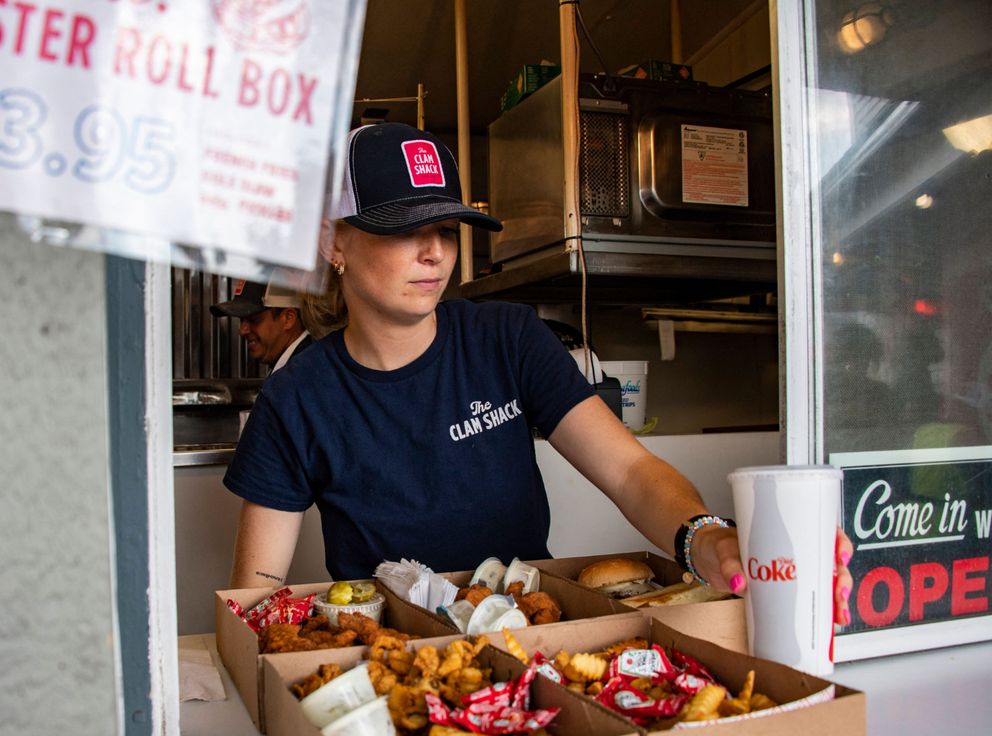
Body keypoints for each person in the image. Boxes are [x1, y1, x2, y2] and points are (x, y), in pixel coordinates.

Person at [224, 123, 854, 625]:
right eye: (405, 228)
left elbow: (631, 473)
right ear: (333, 243)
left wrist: (706, 538)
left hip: (535, 629)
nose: (436, 251)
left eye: (447, 227)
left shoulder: (507, 338)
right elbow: (257, 593)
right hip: (395, 649)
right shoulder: (297, 397)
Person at [210, 279, 312, 372]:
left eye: (253, 320)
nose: (241, 331)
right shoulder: (294, 368)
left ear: (288, 318)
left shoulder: (305, 373)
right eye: (241, 320)